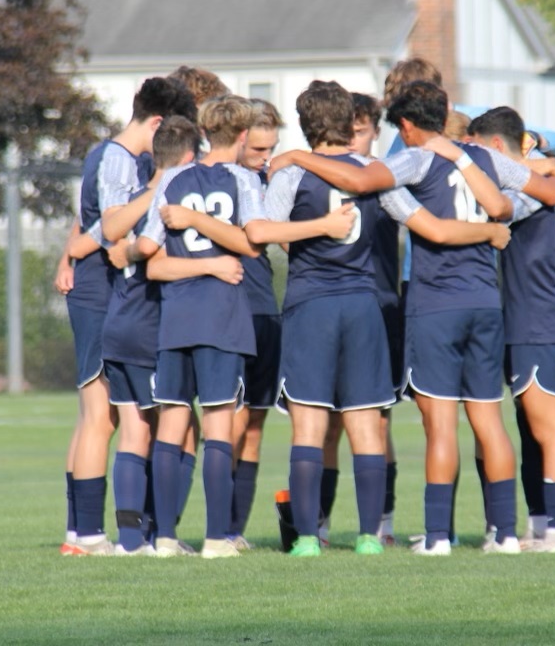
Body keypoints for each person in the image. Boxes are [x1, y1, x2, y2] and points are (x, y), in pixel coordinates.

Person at [271, 80, 555, 555]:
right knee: (489, 422)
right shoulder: (488, 161)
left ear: (406, 125)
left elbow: (367, 183)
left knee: (437, 425)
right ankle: (506, 533)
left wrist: (297, 158)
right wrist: (500, 221)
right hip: (485, 303)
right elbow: (545, 193)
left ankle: (436, 536)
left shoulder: (413, 159)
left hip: (430, 306)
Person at [127, 95, 352, 558]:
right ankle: (216, 539)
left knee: (171, 422)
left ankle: (164, 538)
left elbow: (147, 249)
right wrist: (209, 236)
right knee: (219, 424)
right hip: (221, 317)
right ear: (245, 135)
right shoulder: (241, 180)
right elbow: (252, 242)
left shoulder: (169, 178)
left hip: (174, 316)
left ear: (205, 133)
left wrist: (180, 227)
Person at [54, 76, 196, 556]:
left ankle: (79, 533)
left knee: (97, 417)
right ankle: (90, 534)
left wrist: (70, 250)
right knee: (101, 417)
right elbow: (113, 222)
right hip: (99, 294)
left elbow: (87, 219)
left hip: (99, 289)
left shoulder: (112, 155)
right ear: (157, 123)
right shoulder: (116, 157)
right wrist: (157, 188)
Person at [466, 106, 555, 553]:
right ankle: (543, 524)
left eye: (484, 152)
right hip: (542, 311)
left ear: (499, 149)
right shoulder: (552, 178)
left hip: (538, 317)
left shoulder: (531, 190)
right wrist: (547, 160)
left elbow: (500, 208)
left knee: (548, 426)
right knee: (530, 425)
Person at [318, 92, 404, 547]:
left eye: (363, 130)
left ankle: (381, 524)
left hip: (380, 308)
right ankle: (320, 526)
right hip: (325, 310)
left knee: (375, 422)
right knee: (327, 423)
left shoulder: (387, 180)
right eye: (348, 130)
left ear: (375, 131)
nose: (355, 137)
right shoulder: (311, 174)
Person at [227, 98, 284, 549]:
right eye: (259, 150)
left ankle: (236, 530)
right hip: (230, 309)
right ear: (239, 139)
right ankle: (217, 528)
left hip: (265, 307)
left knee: (254, 426)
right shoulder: (222, 181)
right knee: (229, 422)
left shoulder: (268, 179)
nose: (266, 158)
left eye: (273, 149)